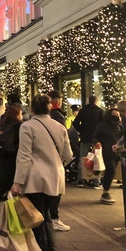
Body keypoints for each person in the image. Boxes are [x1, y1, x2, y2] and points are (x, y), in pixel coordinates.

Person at [10, 94, 73, 251]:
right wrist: (58, 165)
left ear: (31, 109)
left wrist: (17, 182)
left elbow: (24, 156)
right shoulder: (60, 127)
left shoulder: (27, 126)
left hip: (36, 179)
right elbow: (68, 154)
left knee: (37, 220)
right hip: (56, 179)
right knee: (45, 217)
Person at [0, 104, 23, 216]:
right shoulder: (19, 126)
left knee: (3, 181)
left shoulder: (4, 124)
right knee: (14, 181)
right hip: (14, 155)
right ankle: (14, 208)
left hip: (4, 155)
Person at [46, 90, 70, 232]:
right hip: (55, 160)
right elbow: (65, 145)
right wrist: (65, 160)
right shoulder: (58, 118)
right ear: (57, 101)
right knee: (56, 191)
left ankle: (47, 218)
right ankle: (54, 219)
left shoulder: (31, 123)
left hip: (41, 162)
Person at [72, 96, 104, 187]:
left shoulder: (83, 111)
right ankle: (96, 181)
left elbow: (75, 123)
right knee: (96, 158)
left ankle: (81, 179)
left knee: (83, 158)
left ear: (88, 101)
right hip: (96, 138)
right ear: (96, 101)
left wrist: (82, 130)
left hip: (85, 137)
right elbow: (102, 124)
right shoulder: (100, 111)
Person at [94, 108, 122, 204]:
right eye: (114, 115)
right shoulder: (102, 125)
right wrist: (97, 142)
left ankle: (105, 190)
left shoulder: (119, 126)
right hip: (106, 150)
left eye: (117, 115)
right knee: (111, 169)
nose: (116, 117)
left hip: (117, 152)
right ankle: (105, 192)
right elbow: (95, 136)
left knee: (112, 171)